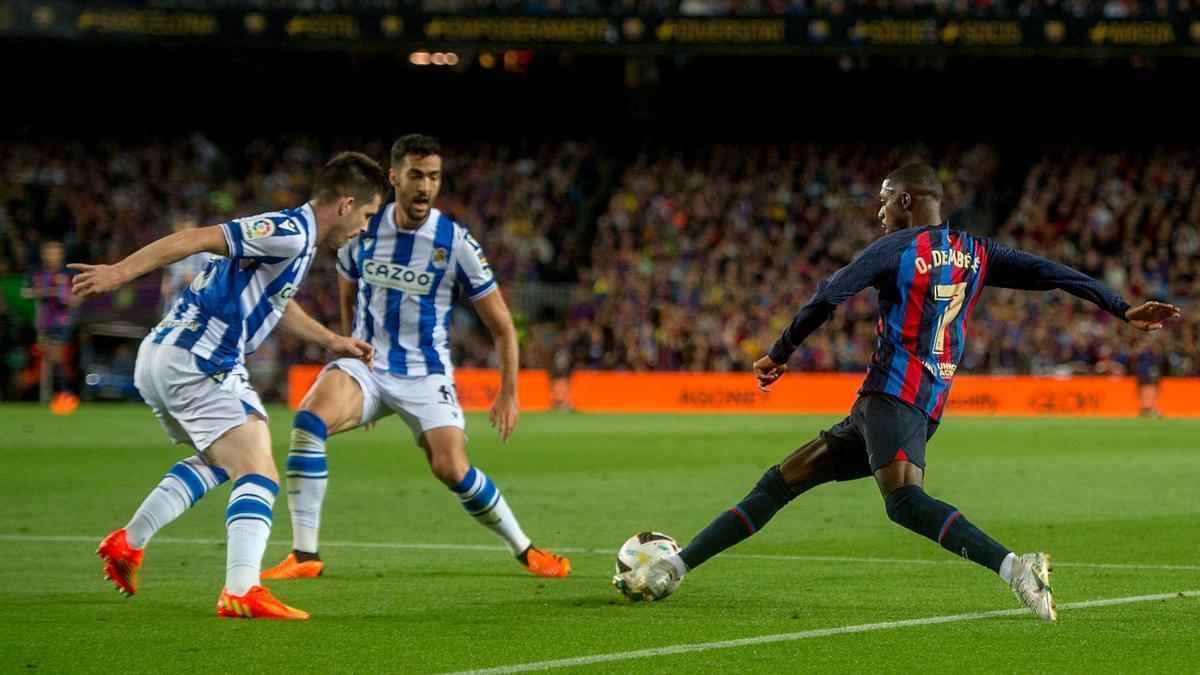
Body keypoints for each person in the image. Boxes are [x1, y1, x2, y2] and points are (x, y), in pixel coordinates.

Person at [613, 162, 1180, 621]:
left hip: (892, 397)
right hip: (909, 405)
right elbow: (1054, 272)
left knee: (905, 502)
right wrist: (1121, 307)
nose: (879, 212)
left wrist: (779, 353)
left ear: (908, 200)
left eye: (884, 200)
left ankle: (1016, 567)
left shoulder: (899, 248)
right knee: (779, 482)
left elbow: (829, 295)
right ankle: (674, 568)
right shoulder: (976, 251)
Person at [74, 152, 388, 620]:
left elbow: (276, 302)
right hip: (198, 359)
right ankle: (241, 589)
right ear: (345, 205)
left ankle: (128, 542)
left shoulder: (297, 242)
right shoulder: (290, 232)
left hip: (169, 355)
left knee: (220, 461)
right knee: (259, 471)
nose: (364, 228)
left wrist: (331, 340)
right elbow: (195, 238)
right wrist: (118, 272)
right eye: (366, 216)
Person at [262, 134, 571, 581]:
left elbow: (503, 326)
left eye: (433, 176)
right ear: (393, 178)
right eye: (415, 175)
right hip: (366, 366)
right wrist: (352, 359)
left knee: (451, 468)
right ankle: (304, 555)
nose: (425, 186)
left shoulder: (455, 242)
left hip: (425, 374)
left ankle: (524, 548)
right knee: (308, 422)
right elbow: (348, 294)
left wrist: (509, 394)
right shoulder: (363, 229)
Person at [22, 240, 81, 411]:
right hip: (43, 321)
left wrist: (68, 297)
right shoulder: (37, 272)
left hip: (63, 321)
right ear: (43, 254)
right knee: (48, 359)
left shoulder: (68, 273)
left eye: (55, 252)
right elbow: (25, 292)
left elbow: (78, 296)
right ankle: (51, 395)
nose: (52, 255)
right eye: (49, 252)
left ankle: (65, 394)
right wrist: (39, 292)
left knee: (56, 357)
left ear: (61, 254)